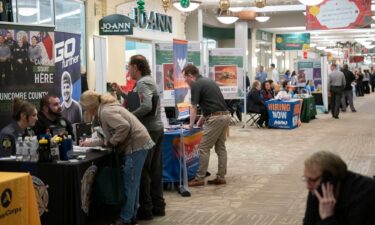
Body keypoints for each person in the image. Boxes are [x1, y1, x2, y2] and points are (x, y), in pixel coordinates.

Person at [80, 90, 154, 225]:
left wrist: (113, 142)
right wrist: (89, 143)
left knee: (129, 185)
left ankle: (125, 219)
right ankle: (131, 217)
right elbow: (109, 137)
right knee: (133, 184)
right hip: (140, 144)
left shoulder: (105, 112)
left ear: (90, 107)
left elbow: (123, 128)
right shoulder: (108, 107)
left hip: (135, 146)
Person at [118, 54, 166, 220]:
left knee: (145, 170)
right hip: (157, 129)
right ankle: (158, 206)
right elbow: (139, 101)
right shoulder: (149, 80)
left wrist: (130, 117)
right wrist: (122, 93)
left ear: (136, 67)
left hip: (149, 130)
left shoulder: (142, 82)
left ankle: (146, 209)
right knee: (155, 168)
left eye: (129, 67)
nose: (128, 70)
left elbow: (146, 106)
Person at [182, 64, 231, 187]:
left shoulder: (196, 85)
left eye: (185, 77)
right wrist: (203, 118)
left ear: (190, 75)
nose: (184, 80)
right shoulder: (208, 81)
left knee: (203, 148)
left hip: (215, 118)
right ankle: (221, 177)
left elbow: (193, 107)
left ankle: (199, 178)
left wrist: (191, 125)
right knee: (220, 147)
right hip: (225, 116)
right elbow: (212, 102)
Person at [302, 150, 375, 225]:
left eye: (313, 180)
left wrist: (327, 218)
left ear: (330, 180)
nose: (308, 186)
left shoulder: (366, 194)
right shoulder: (317, 190)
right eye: (306, 180)